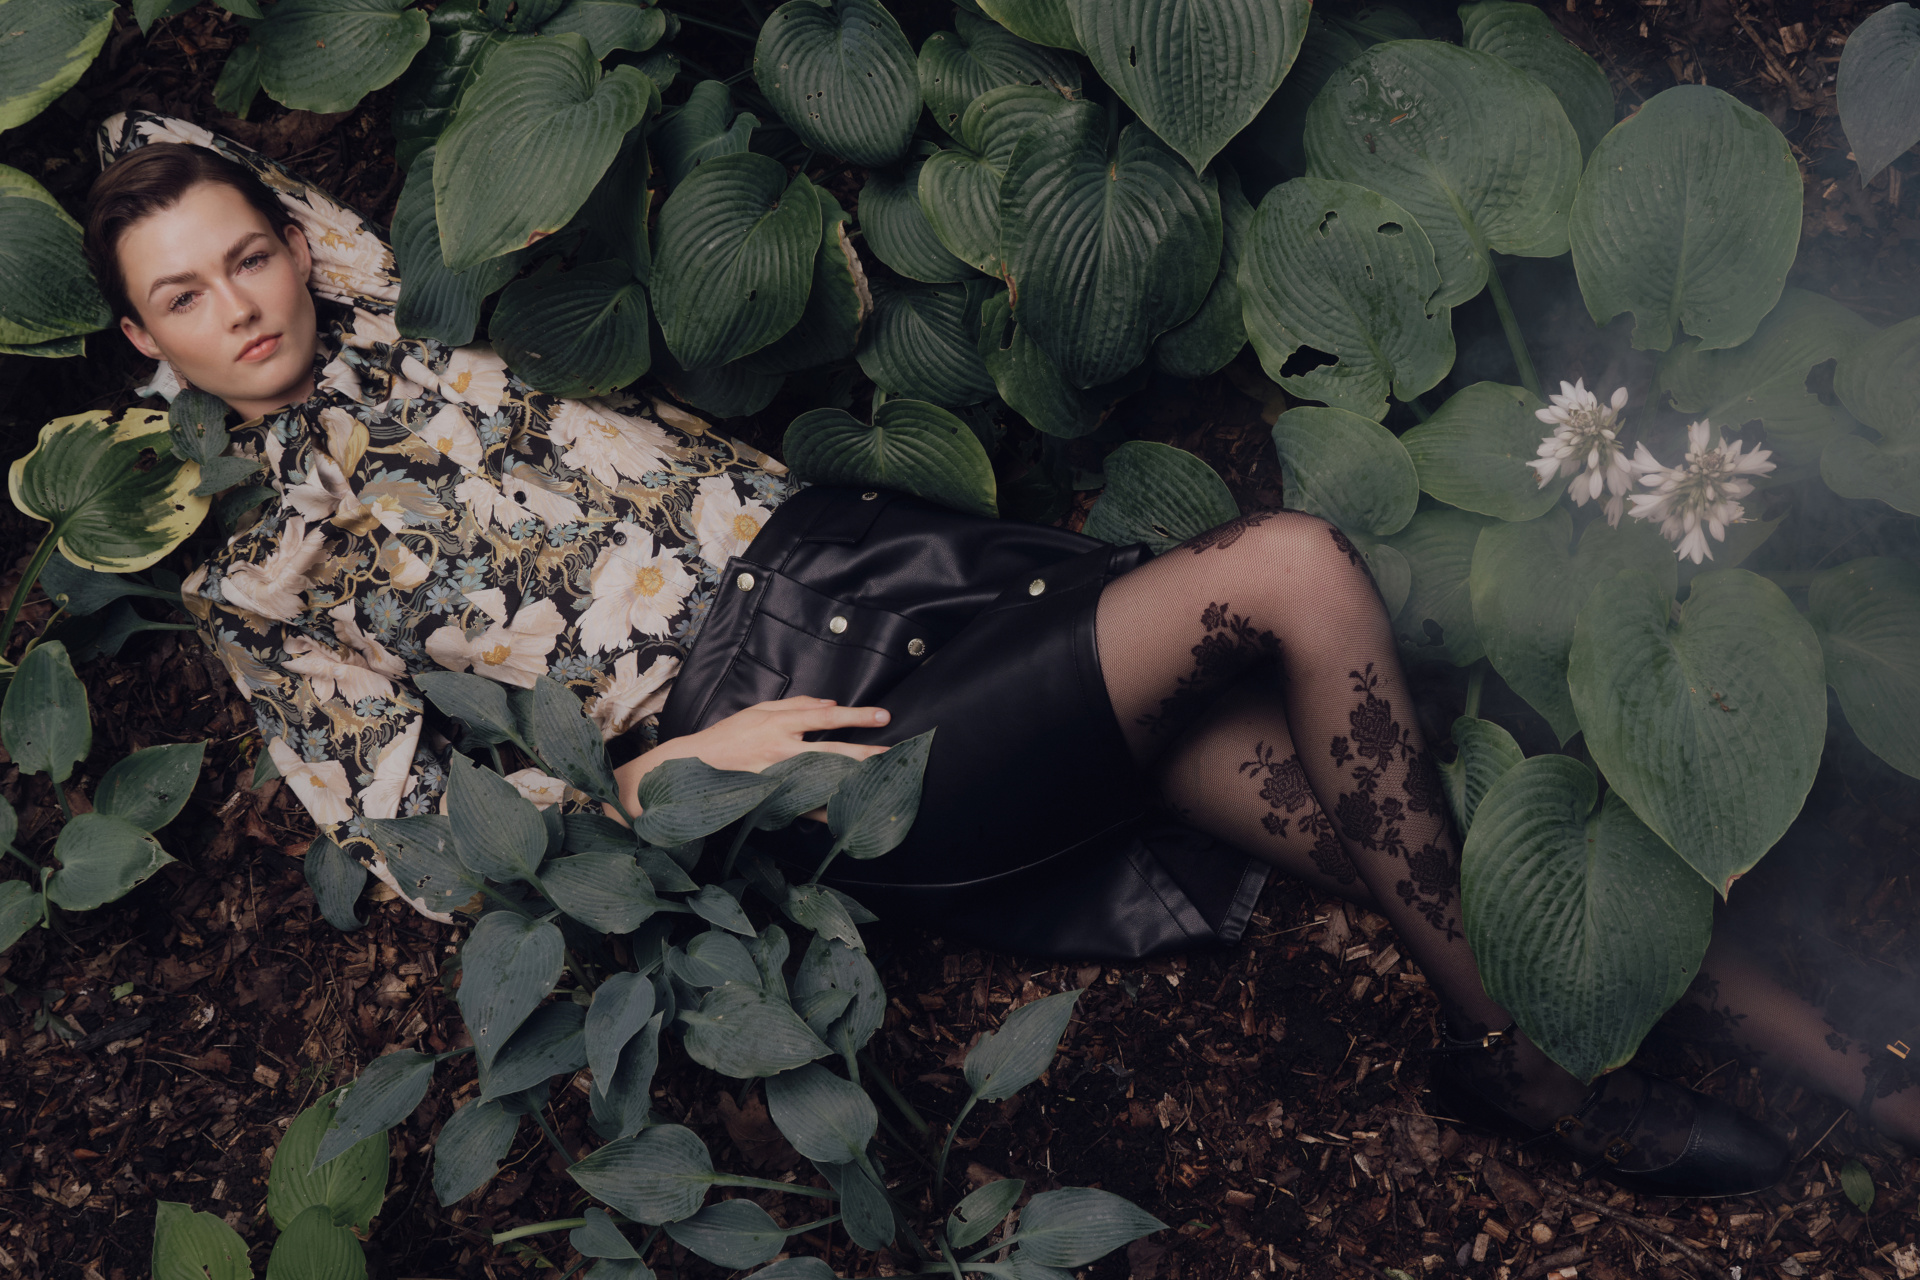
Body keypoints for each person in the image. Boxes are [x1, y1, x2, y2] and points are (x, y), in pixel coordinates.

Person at [75, 113, 1918, 1198]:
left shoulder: (399, 327)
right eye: (186, 292)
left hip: (897, 564)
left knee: (1378, 819)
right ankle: (1518, 1059)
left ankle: (1859, 1061)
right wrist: (647, 779)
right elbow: (410, 831)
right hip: (805, 714)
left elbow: (361, 262)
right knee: (1283, 569)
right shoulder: (243, 556)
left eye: (251, 254)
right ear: (137, 335)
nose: (244, 306)